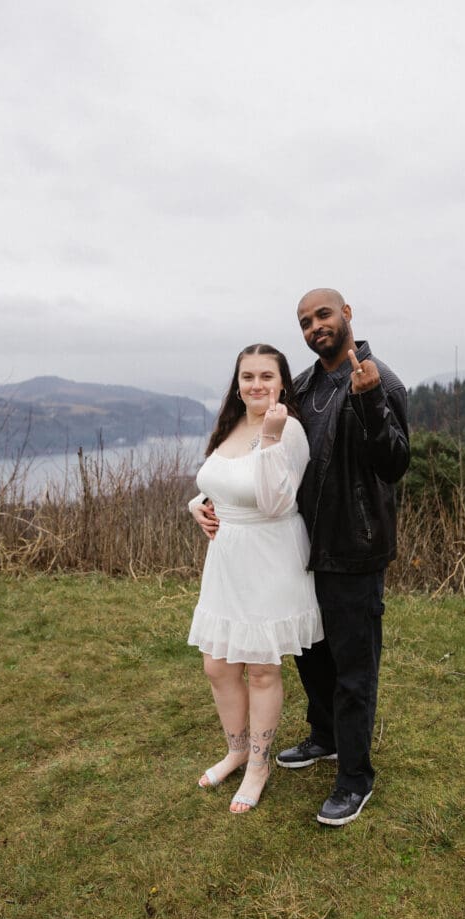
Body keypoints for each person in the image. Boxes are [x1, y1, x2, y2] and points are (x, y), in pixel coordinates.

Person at [275, 288, 410, 826]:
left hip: (355, 546)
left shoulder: (383, 381)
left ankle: (355, 777)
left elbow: (394, 464)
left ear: (347, 314)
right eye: (305, 321)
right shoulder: (303, 386)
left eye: (323, 315)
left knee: (355, 669)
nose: (315, 327)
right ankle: (325, 737)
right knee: (310, 652)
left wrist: (371, 402)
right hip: (301, 545)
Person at [188, 344, 323, 814]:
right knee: (218, 665)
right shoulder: (230, 424)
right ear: (238, 382)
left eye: (267, 376)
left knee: (262, 668)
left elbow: (274, 504)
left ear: (282, 382)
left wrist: (269, 439)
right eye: (248, 376)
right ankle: (237, 749)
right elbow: (215, 479)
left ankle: (259, 765)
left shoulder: (290, 432)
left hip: (269, 555)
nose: (257, 385)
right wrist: (197, 506)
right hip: (226, 560)